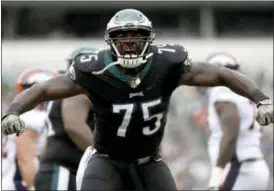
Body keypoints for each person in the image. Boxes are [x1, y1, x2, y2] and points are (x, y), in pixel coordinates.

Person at [1, 9, 273, 190]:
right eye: (123, 37)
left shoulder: (166, 63)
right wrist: (14, 110)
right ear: (111, 41)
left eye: (136, 36)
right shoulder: (94, 68)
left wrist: (260, 99)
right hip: (107, 159)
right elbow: (46, 89)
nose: (130, 43)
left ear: (150, 39)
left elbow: (220, 75)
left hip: (149, 160)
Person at [206, 53, 270, 190]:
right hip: (254, 165)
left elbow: (231, 134)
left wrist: (218, 172)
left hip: (238, 168)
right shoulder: (243, 90)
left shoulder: (222, 90)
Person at [34, 47, 95, 191]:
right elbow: (74, 126)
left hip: (56, 168)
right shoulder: (78, 91)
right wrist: (104, 158)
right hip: (64, 171)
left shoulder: (63, 90)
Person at [3, 69, 57, 191]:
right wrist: (33, 186)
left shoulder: (24, 115)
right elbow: (25, 159)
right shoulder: (32, 117)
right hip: (18, 184)